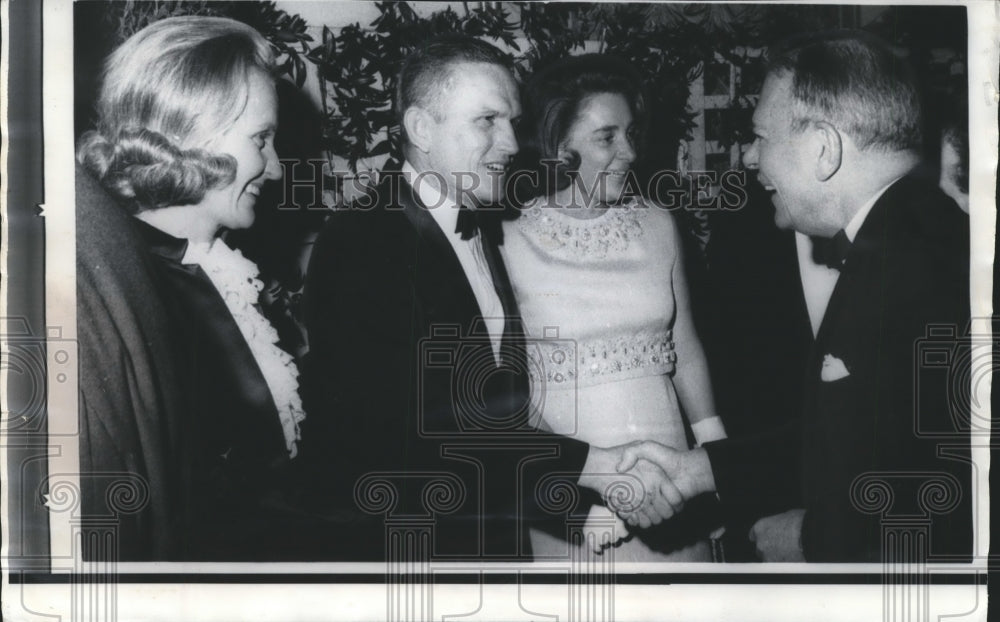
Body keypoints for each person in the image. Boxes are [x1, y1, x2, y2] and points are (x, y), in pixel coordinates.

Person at [303, 36, 678, 561]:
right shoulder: (364, 240)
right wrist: (598, 467)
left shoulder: (482, 223)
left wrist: (575, 503)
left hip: (489, 544)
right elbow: (419, 423)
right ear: (420, 129)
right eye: (487, 121)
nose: (510, 143)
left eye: (511, 121)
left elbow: (498, 408)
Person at [619, 30, 972, 563]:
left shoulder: (915, 265)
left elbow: (956, 488)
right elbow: (853, 429)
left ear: (824, 148)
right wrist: (702, 469)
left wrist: (816, 541)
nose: (748, 155)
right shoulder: (907, 235)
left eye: (761, 136)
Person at [77, 16, 312, 560]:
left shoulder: (218, 266)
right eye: (262, 139)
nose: (276, 169)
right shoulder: (130, 289)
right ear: (191, 133)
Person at [500, 54, 725, 561]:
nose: (628, 151)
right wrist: (574, 499)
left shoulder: (658, 224)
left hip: (671, 474)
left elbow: (685, 348)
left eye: (630, 133)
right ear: (560, 144)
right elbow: (505, 388)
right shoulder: (505, 238)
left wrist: (716, 458)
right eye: (607, 136)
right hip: (575, 491)